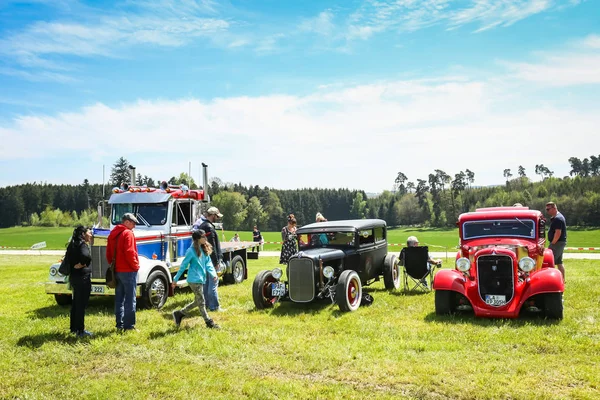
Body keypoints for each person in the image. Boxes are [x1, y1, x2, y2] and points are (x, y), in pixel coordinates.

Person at [171, 230, 220, 329]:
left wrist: (213, 274)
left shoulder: (203, 249)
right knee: (201, 302)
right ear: (198, 239)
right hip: (193, 280)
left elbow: (208, 263)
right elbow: (183, 266)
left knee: (198, 301)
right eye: (203, 237)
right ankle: (209, 322)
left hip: (201, 279)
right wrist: (175, 280)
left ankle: (179, 313)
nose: (205, 239)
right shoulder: (191, 251)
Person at [106, 213, 140, 332]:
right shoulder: (128, 233)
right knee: (130, 299)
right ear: (126, 222)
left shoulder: (112, 233)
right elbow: (130, 252)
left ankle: (119, 324)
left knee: (119, 299)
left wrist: (113, 265)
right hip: (128, 270)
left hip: (116, 271)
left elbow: (108, 254)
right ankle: (129, 326)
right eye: (133, 223)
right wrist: (136, 266)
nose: (134, 226)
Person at [67, 226, 93, 337]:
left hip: (73, 277)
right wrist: (83, 263)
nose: (91, 234)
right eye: (89, 232)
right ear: (83, 234)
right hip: (82, 278)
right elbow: (86, 256)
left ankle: (73, 328)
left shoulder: (72, 244)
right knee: (81, 305)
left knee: (76, 304)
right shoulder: (82, 245)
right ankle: (80, 331)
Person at [198, 206, 225, 312]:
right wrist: (216, 262)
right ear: (212, 215)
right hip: (210, 260)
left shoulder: (202, 226)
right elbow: (211, 246)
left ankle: (207, 304)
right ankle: (214, 306)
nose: (217, 218)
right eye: (217, 216)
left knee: (206, 284)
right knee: (213, 283)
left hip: (203, 259)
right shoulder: (209, 227)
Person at [546, 201, 567, 283]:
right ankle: (562, 280)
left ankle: (552, 281)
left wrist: (553, 243)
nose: (547, 211)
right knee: (559, 262)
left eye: (548, 209)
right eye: (546, 209)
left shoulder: (558, 218)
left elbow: (558, 232)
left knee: (549, 262)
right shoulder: (557, 217)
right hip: (559, 243)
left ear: (554, 208)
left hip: (557, 243)